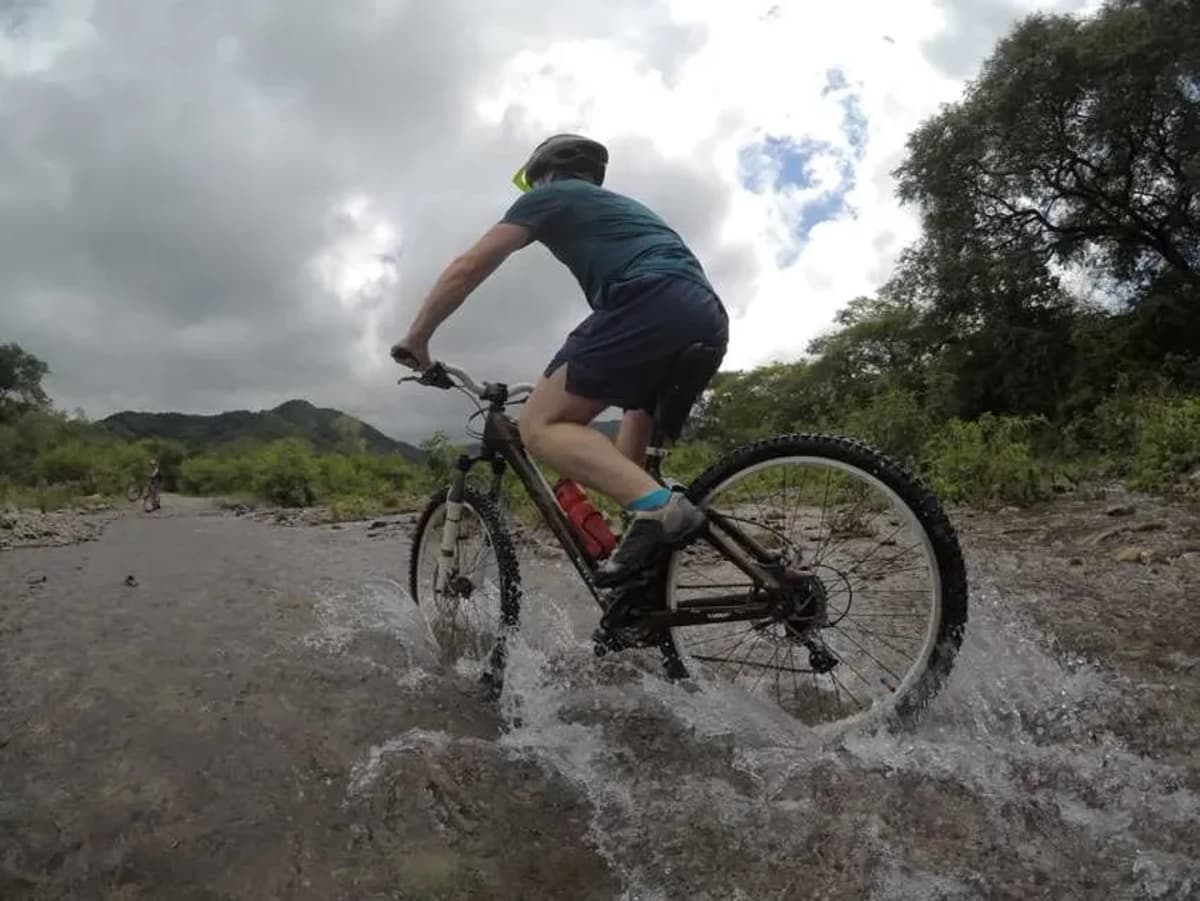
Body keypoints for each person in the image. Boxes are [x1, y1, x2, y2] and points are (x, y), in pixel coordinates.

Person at [391, 134, 729, 594]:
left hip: (649, 301)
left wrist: (417, 339)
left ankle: (660, 509)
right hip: (704, 316)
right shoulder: (623, 209)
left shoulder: (552, 196)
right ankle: (643, 597)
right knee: (629, 471)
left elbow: (467, 267)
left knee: (541, 426)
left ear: (542, 176)